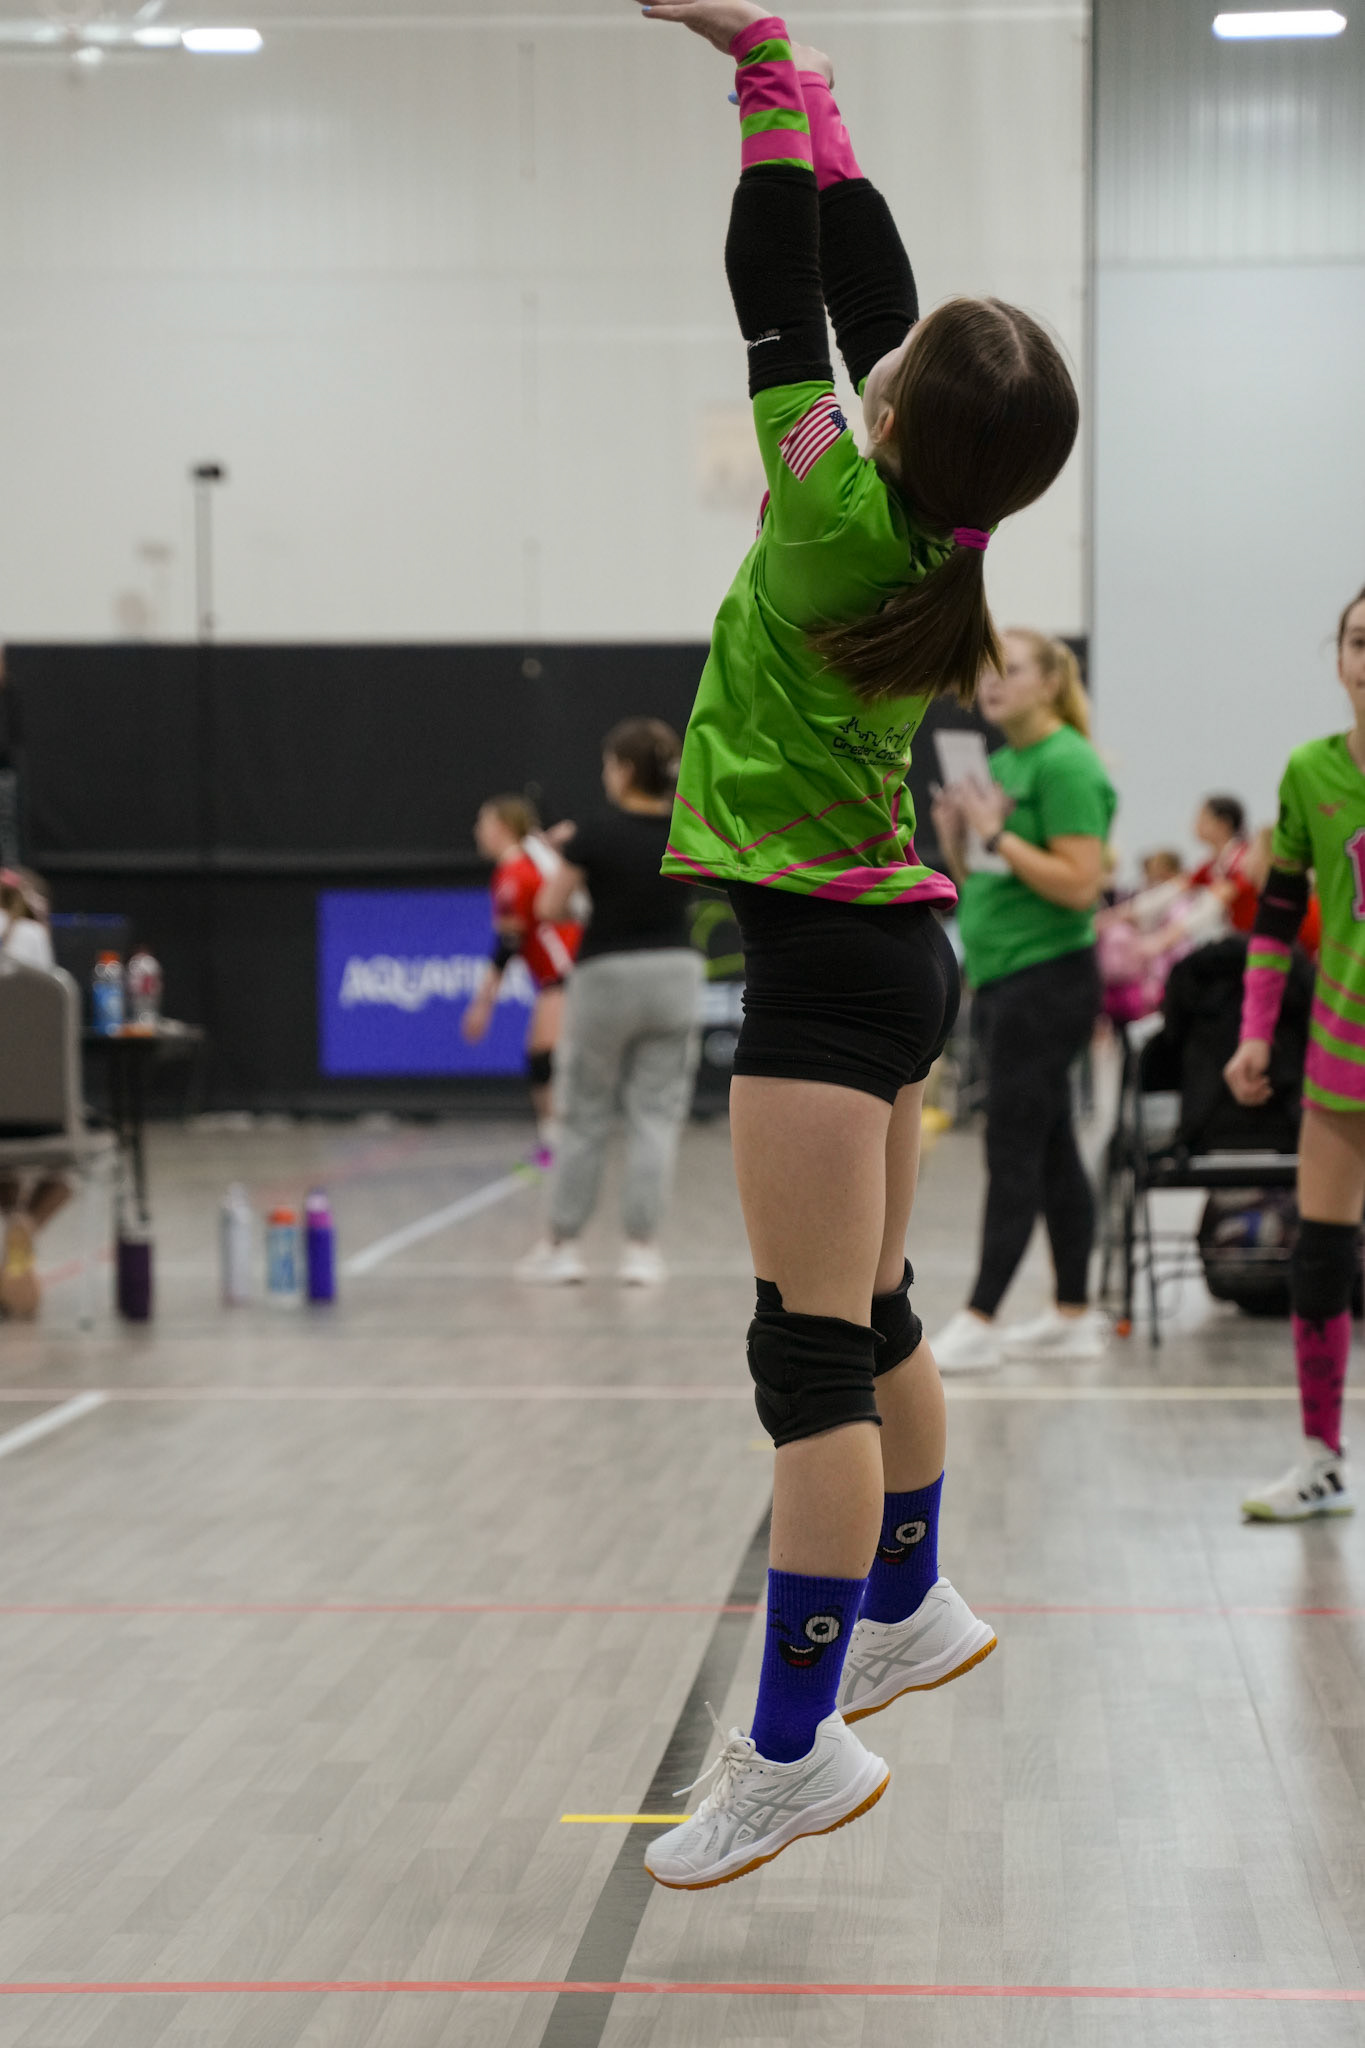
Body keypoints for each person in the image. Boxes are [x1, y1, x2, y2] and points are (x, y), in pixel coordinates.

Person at [632, 0, 1079, 1891]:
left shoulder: (834, 508)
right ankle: (914, 1601)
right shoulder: (946, 524)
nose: (872, 370)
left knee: (807, 1364)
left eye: (890, 376)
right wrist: (813, 99)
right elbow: (877, 308)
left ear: (893, 421)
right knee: (872, 1316)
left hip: (827, 976)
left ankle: (792, 1749)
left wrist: (758, 71)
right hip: (888, 957)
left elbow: (780, 295)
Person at [929, 631, 1116, 1369]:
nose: (991, 682)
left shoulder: (1066, 763)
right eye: (986, 671)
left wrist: (997, 831)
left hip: (1049, 978)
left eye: (1010, 670)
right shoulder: (1001, 766)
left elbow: (1080, 885)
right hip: (1004, 975)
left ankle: (981, 1315)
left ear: (1049, 683)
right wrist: (958, 837)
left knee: (1012, 1146)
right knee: (1052, 1145)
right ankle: (1073, 1313)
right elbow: (983, 878)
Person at [1225, 585, 1365, 1521]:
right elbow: (1275, 921)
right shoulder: (1309, 771)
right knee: (1319, 1253)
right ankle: (1320, 1459)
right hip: (1341, 1055)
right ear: (1338, 657)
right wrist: (1252, 1032)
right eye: (1357, 641)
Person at [514, 719, 703, 1287]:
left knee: (584, 1113)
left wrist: (563, 860)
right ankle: (641, 1251)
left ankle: (563, 1245)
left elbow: (549, 907)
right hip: (676, 973)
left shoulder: (592, 833)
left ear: (623, 769)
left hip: (607, 976)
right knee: (656, 1115)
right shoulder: (687, 829)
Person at [462, 796, 582, 1165]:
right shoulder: (527, 865)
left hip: (567, 972)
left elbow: (507, 944)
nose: (477, 832)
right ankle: (556, 1142)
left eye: (483, 823)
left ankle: (559, 1145)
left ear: (502, 828)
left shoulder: (514, 873)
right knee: (545, 1058)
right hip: (563, 972)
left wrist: (482, 1005)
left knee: (546, 1058)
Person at [0, 867, 72, 1318]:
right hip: (36, 1112)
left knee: (4, 1159)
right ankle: (25, 1222)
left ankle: (12, 1218)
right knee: (70, 1163)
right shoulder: (33, 938)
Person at [1191, 792, 1258, 934]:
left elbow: (1221, 896)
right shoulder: (1213, 864)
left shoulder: (1242, 858)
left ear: (1223, 824)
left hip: (1251, 936)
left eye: (1203, 819)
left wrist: (1168, 936)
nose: (1196, 824)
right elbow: (1181, 886)